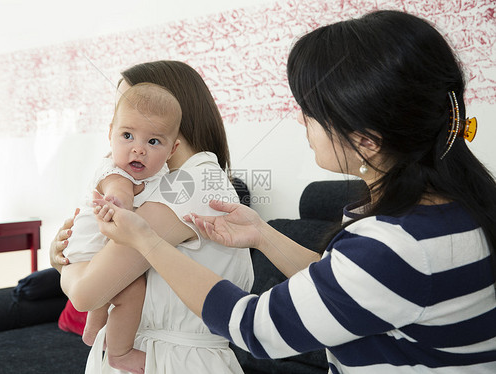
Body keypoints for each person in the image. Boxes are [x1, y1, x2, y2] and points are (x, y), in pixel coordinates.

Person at [91, 10, 496, 374]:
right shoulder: (446, 211)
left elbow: (254, 327)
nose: (301, 121)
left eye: (311, 111)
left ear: (367, 140)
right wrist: (262, 234)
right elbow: (342, 284)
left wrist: (145, 239)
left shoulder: (400, 244)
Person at [51, 60, 254, 374]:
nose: (129, 143)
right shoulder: (167, 183)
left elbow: (85, 293)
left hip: (173, 361)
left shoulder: (190, 186)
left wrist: (66, 265)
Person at [62, 82, 182, 373]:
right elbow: (120, 191)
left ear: (172, 149)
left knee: (118, 283)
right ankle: (119, 352)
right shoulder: (114, 170)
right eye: (127, 136)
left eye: (153, 142)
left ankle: (93, 329)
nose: (138, 149)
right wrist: (118, 202)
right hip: (89, 250)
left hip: (97, 251)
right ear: (110, 134)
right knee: (132, 289)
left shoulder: (166, 177)